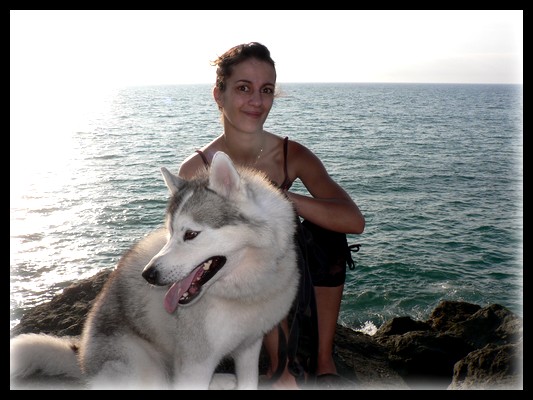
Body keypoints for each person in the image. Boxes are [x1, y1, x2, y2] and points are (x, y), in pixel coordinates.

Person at [177, 42, 365, 389]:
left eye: (266, 90)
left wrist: (279, 197)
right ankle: (280, 365)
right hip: (230, 277)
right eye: (243, 88)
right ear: (219, 95)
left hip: (286, 269)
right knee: (254, 247)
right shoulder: (198, 169)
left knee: (325, 236)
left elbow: (353, 221)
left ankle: (324, 359)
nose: (257, 101)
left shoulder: (290, 154)